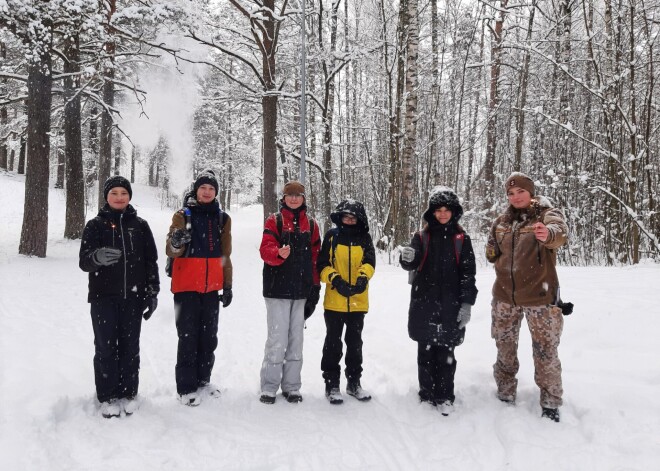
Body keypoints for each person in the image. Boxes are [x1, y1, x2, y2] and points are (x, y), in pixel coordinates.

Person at [486, 172, 568, 423]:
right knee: (504, 346)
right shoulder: (501, 221)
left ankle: (551, 400)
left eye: (520, 191)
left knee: (545, 351)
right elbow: (491, 252)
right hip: (504, 297)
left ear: (530, 192)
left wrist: (548, 235)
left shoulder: (546, 214)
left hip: (540, 298)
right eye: (511, 193)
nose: (515, 196)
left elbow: (559, 232)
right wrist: (493, 253)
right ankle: (505, 390)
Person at [79, 175, 159, 418]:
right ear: (106, 196)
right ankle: (108, 396)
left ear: (129, 197)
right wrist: (96, 258)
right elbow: (84, 262)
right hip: (103, 298)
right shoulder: (95, 225)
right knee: (105, 348)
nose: (119, 197)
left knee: (129, 347)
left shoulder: (140, 226)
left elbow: (150, 261)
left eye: (123, 193)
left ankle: (128, 393)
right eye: (114, 193)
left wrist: (152, 292)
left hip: (133, 299)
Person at [400, 187, 477, 416]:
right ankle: (426, 393)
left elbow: (468, 274)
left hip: (451, 305)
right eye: (438, 210)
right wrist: (407, 259)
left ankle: (444, 395)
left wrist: (466, 304)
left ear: (454, 212)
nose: (443, 214)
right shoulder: (421, 236)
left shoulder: (462, 239)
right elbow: (411, 264)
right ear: (431, 212)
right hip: (424, 303)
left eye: (447, 210)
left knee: (446, 353)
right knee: (425, 351)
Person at [166, 169, 233, 407]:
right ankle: (186, 387)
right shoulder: (182, 214)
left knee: (208, 337)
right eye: (203, 188)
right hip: (185, 287)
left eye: (211, 189)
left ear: (216, 192)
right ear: (196, 190)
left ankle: (204, 380)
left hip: (211, 287)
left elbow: (225, 255)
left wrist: (228, 285)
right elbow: (170, 249)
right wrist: (176, 242)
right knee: (188, 337)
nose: (206, 192)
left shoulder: (222, 219)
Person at [258, 181, 321, 404]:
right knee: (277, 339)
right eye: (290, 195)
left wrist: (315, 288)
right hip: (277, 291)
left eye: (298, 195)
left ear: (304, 198)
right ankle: (269, 386)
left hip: (301, 292)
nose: (294, 199)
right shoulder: (274, 220)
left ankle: (292, 386)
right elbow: (265, 249)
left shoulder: (312, 225)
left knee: (296, 340)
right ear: (283, 198)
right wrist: (278, 253)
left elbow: (316, 259)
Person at [318, 199, 376, 404]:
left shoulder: (365, 238)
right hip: (334, 300)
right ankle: (332, 384)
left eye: (353, 217)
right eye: (346, 217)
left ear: (359, 219)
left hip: (358, 301)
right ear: (340, 217)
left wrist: (363, 277)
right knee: (333, 343)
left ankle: (354, 383)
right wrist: (335, 279)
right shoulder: (332, 236)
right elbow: (322, 265)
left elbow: (370, 262)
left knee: (355, 344)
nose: (350, 220)